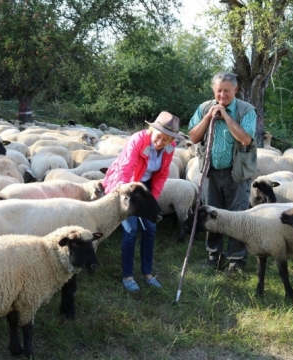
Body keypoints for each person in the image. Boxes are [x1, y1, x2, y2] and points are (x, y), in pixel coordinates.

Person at [102, 111, 184, 292]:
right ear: (151, 130)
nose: (160, 142)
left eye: (166, 140)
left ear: (171, 141)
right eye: (159, 137)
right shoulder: (137, 140)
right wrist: (123, 196)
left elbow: (162, 175)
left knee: (150, 227)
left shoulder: (170, 149)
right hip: (127, 183)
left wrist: (151, 200)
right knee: (131, 230)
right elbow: (125, 168)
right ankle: (128, 276)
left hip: (146, 186)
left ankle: (147, 273)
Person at [188, 71, 257, 273]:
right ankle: (214, 256)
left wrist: (226, 116)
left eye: (227, 91)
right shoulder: (203, 108)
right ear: (213, 90)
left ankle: (236, 260)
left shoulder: (246, 111)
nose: (222, 95)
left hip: (236, 173)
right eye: (219, 91)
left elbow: (245, 139)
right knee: (211, 214)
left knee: (237, 216)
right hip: (210, 171)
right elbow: (193, 136)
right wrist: (209, 116)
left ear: (235, 90)